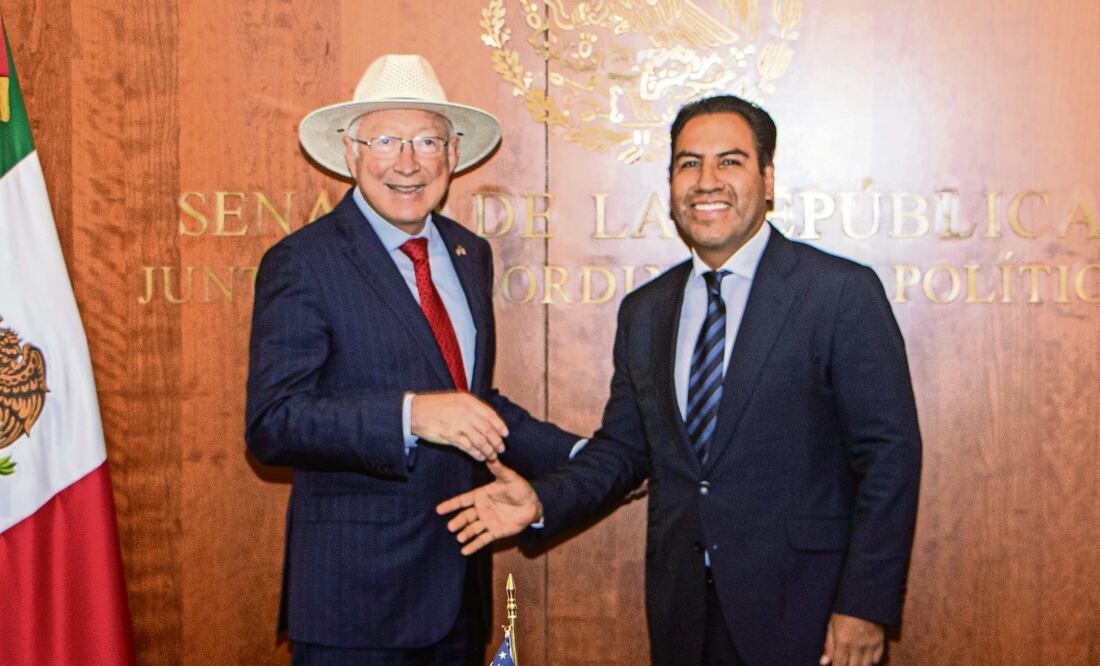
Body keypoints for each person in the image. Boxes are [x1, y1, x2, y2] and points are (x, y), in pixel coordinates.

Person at [438, 95, 922, 666]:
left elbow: (889, 456)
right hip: (683, 613)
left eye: (730, 161)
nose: (707, 181)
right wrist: (543, 499)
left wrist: (864, 606)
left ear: (767, 180)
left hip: (809, 616)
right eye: (689, 164)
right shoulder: (647, 310)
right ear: (671, 184)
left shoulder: (838, 292)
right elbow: (624, 450)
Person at [245, 54, 579, 665]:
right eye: (386, 141)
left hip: (457, 594)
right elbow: (274, 422)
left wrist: (588, 460)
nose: (407, 161)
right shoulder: (303, 262)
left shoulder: (468, 253)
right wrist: (409, 415)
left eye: (426, 140)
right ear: (351, 153)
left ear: (452, 156)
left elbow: (470, 402)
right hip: (354, 603)